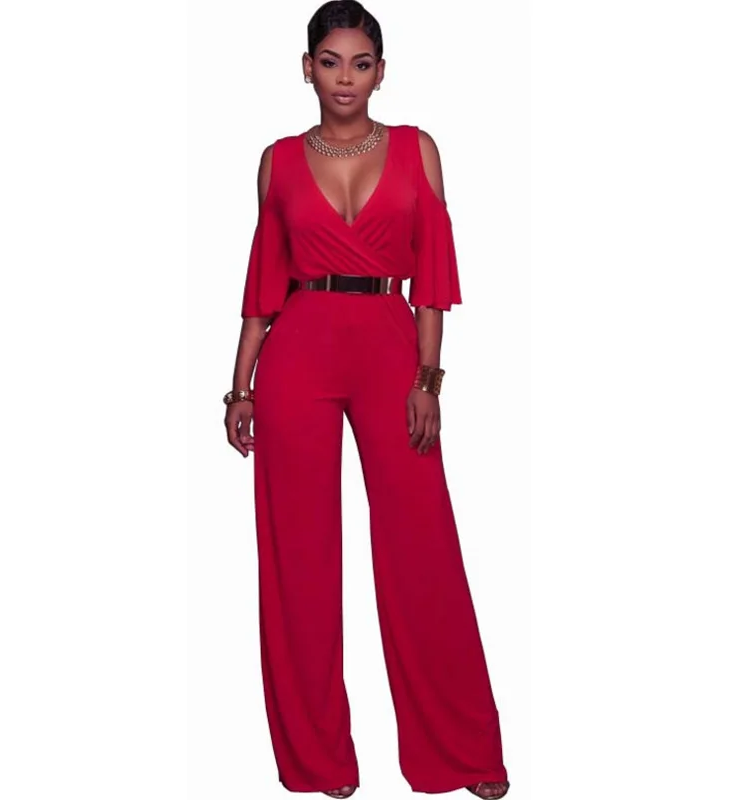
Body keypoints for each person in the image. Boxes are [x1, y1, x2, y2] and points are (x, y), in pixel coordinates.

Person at [223, 2, 510, 797]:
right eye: (329, 62)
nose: (344, 78)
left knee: (423, 545)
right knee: (300, 559)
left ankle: (464, 753)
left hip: (389, 350)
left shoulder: (418, 149)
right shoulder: (278, 161)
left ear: (381, 72)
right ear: (306, 68)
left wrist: (429, 379)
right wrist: (240, 386)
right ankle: (320, 760)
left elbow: (433, 280)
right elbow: (263, 287)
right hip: (297, 354)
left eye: (359, 63)